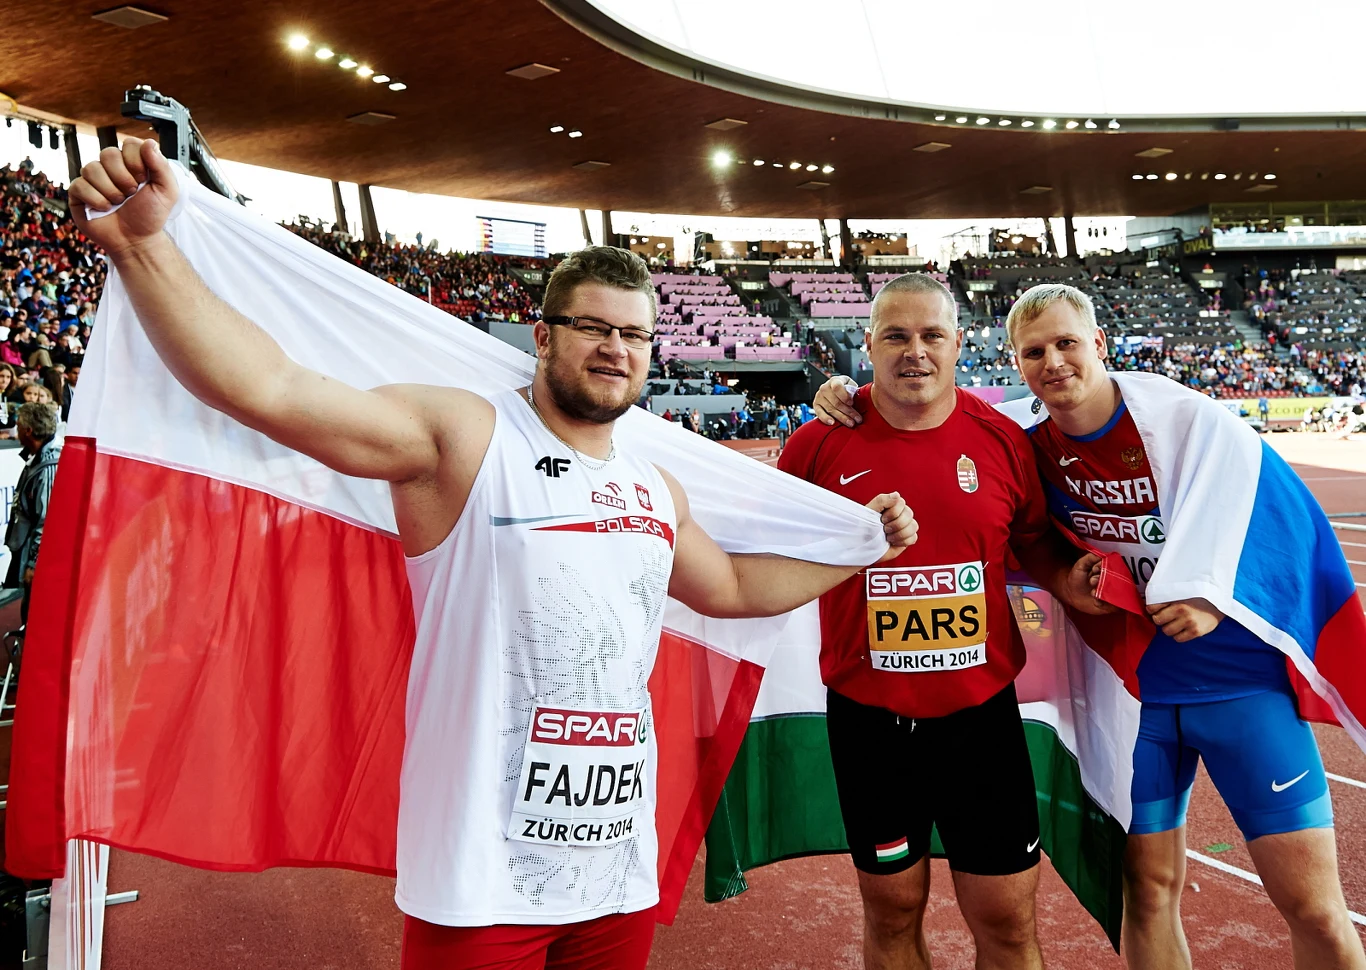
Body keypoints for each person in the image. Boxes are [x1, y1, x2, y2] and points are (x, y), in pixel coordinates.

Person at [68, 138, 918, 970]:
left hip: (615, 865)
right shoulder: (465, 438)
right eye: (592, 327)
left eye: (635, 335)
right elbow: (273, 390)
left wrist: (862, 550)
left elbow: (732, 586)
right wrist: (144, 248)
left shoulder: (657, 486)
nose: (616, 349)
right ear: (542, 338)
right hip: (481, 877)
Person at [814, 282, 1366, 970]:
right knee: (1146, 889)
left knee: (1313, 904)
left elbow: (1277, 518)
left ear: (1100, 344)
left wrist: (1214, 598)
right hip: (1137, 697)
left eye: (1068, 344)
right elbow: (926, 418)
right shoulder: (1023, 437)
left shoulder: (1190, 422)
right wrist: (846, 390)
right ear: (1014, 363)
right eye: (1034, 352)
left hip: (1238, 688)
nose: (1054, 363)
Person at [790, 274, 1108, 970]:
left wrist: (1069, 580)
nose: (915, 352)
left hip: (979, 720)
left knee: (1005, 918)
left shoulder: (1001, 439)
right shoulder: (816, 445)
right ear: (867, 344)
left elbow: (1036, 543)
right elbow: (765, 554)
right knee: (893, 909)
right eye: (896, 336)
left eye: (932, 335)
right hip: (870, 722)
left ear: (960, 343)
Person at [4, 402, 61, 623]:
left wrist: (34, 564)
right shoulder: (37, 460)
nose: (15, 431)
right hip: (29, 546)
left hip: (36, 552)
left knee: (36, 606)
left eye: (18, 426)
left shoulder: (47, 467)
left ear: (28, 430)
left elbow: (46, 521)